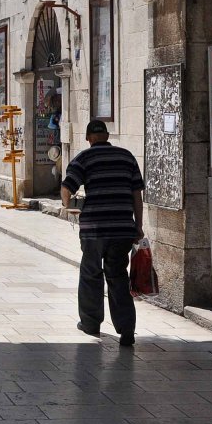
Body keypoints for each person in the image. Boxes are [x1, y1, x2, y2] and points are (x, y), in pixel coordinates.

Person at [60, 119, 144, 347]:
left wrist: (67, 206)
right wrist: (138, 225)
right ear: (107, 136)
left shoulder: (83, 159)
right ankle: (127, 329)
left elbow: (68, 187)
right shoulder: (127, 157)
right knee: (117, 276)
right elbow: (137, 194)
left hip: (94, 230)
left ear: (88, 138)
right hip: (122, 229)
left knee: (91, 274)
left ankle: (90, 323)